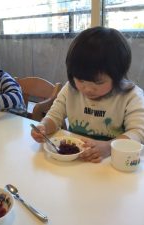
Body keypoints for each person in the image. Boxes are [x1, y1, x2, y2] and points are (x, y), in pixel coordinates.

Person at [31, 26, 144, 163]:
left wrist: (109, 147)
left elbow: (138, 132)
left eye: (98, 82)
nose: (87, 89)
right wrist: (44, 127)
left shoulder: (131, 96)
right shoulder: (71, 89)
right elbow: (54, 115)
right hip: (76, 160)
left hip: (111, 164)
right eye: (80, 80)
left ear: (117, 76)